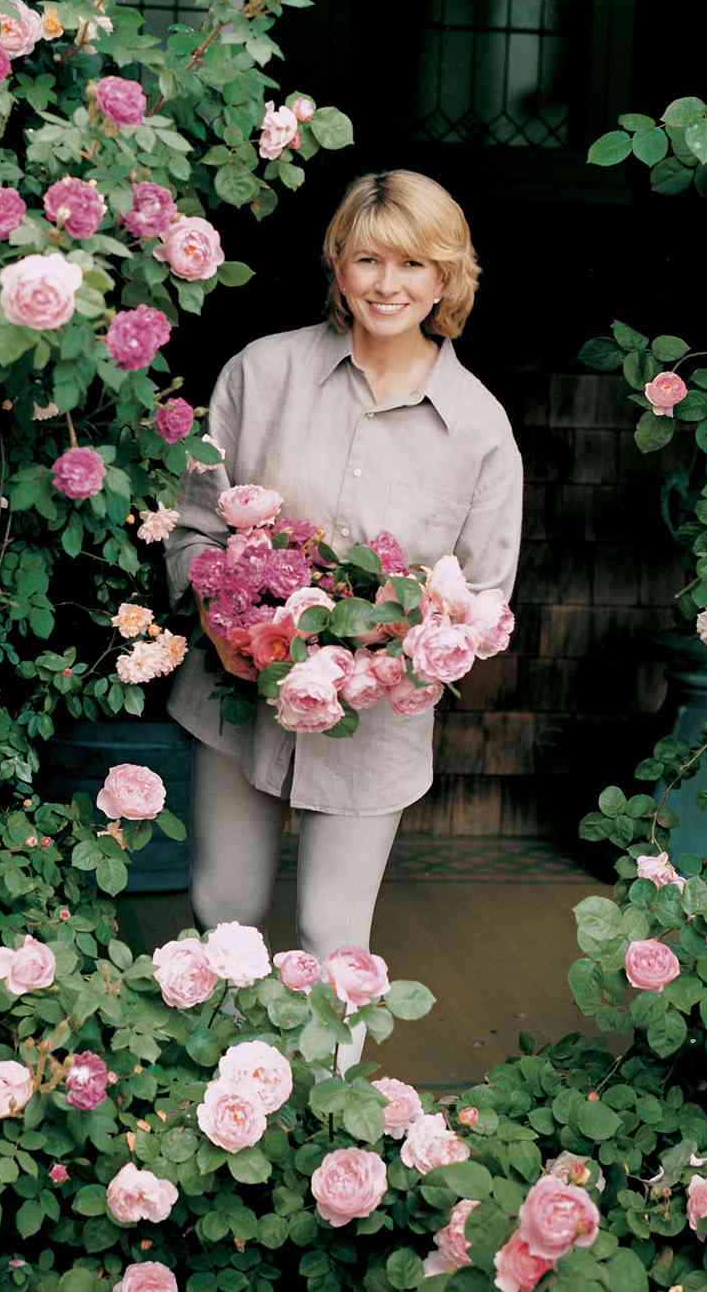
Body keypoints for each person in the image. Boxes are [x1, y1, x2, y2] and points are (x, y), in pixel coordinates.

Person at [164, 169, 524, 1067]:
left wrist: (389, 656)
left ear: (447, 278)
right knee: (225, 906)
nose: (388, 284)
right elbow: (196, 525)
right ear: (337, 262)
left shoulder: (480, 430)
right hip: (235, 692)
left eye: (413, 262)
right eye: (368, 258)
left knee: (334, 936)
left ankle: (322, 1132)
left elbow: (483, 600)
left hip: (372, 719)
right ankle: (213, 1108)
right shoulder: (262, 373)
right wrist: (224, 624)